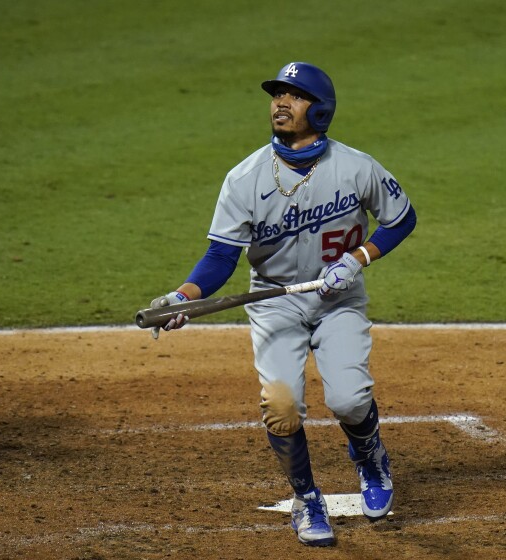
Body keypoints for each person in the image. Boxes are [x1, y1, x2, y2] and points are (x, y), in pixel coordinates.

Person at [149, 61, 417, 547]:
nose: (280, 103)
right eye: (277, 94)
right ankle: (306, 499)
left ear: (321, 111)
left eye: (294, 96)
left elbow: (401, 218)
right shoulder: (245, 178)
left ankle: (370, 457)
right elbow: (220, 257)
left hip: (338, 300)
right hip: (274, 304)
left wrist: (358, 259)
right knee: (282, 404)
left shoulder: (356, 167)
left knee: (349, 399)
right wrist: (182, 297)